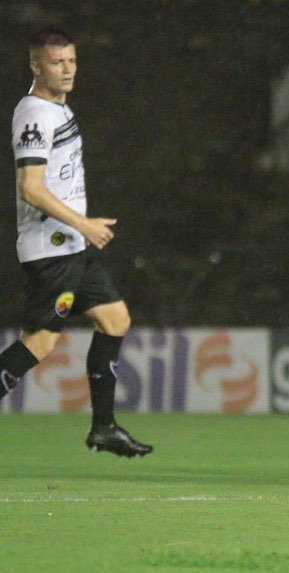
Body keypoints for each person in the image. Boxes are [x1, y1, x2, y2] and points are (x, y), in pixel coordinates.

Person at [2, 28, 152, 457]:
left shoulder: (58, 108)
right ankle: (103, 426)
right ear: (35, 66)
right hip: (52, 250)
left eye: (71, 61)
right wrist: (83, 224)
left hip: (71, 247)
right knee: (41, 342)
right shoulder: (34, 113)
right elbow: (30, 187)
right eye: (56, 62)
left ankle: (103, 428)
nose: (67, 70)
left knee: (115, 320)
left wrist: (80, 231)